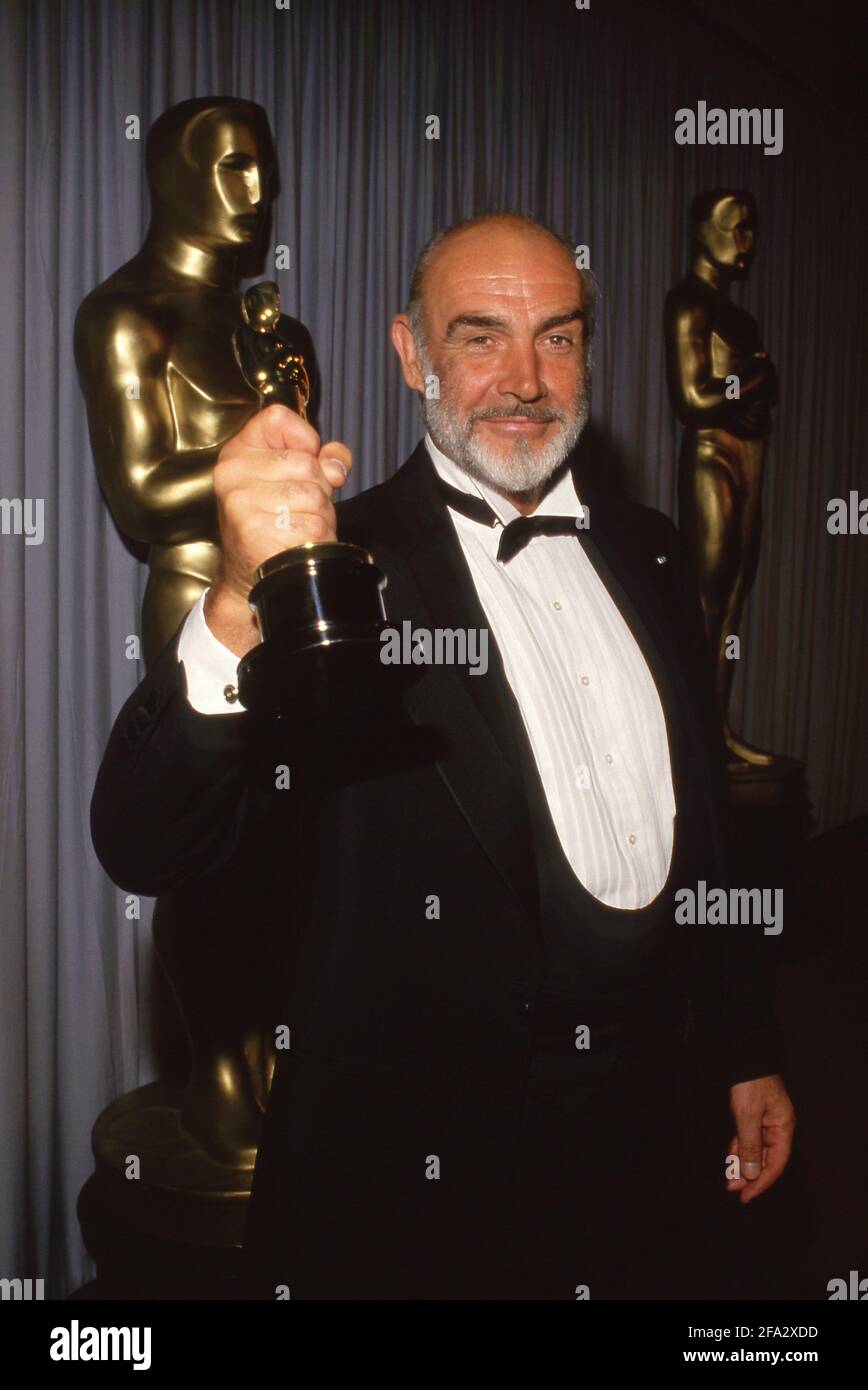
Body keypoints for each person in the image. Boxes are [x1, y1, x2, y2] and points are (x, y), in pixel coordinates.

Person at [91, 212, 795, 1300]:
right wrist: (235, 603)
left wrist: (743, 1045)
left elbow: (700, 821)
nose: (525, 378)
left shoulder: (650, 549)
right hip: (426, 1191)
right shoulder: (336, 571)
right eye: (480, 337)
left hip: (650, 1144)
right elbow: (145, 836)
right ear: (411, 353)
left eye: (558, 337)